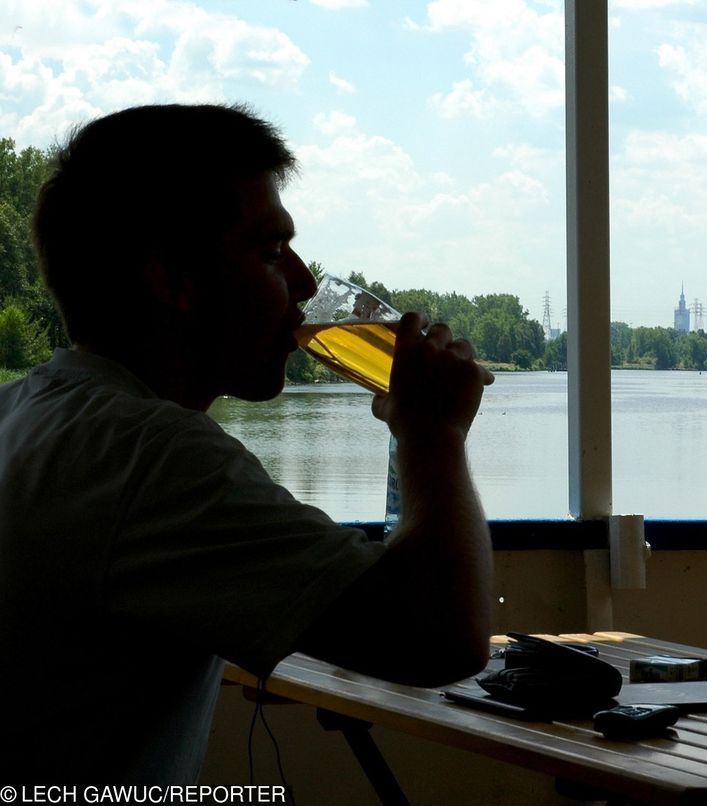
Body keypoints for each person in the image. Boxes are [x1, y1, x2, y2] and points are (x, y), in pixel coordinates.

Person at [0, 104, 495, 782]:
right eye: (269, 252)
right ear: (173, 280)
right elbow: (437, 638)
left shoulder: (27, 415)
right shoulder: (150, 455)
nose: (306, 284)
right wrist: (433, 433)